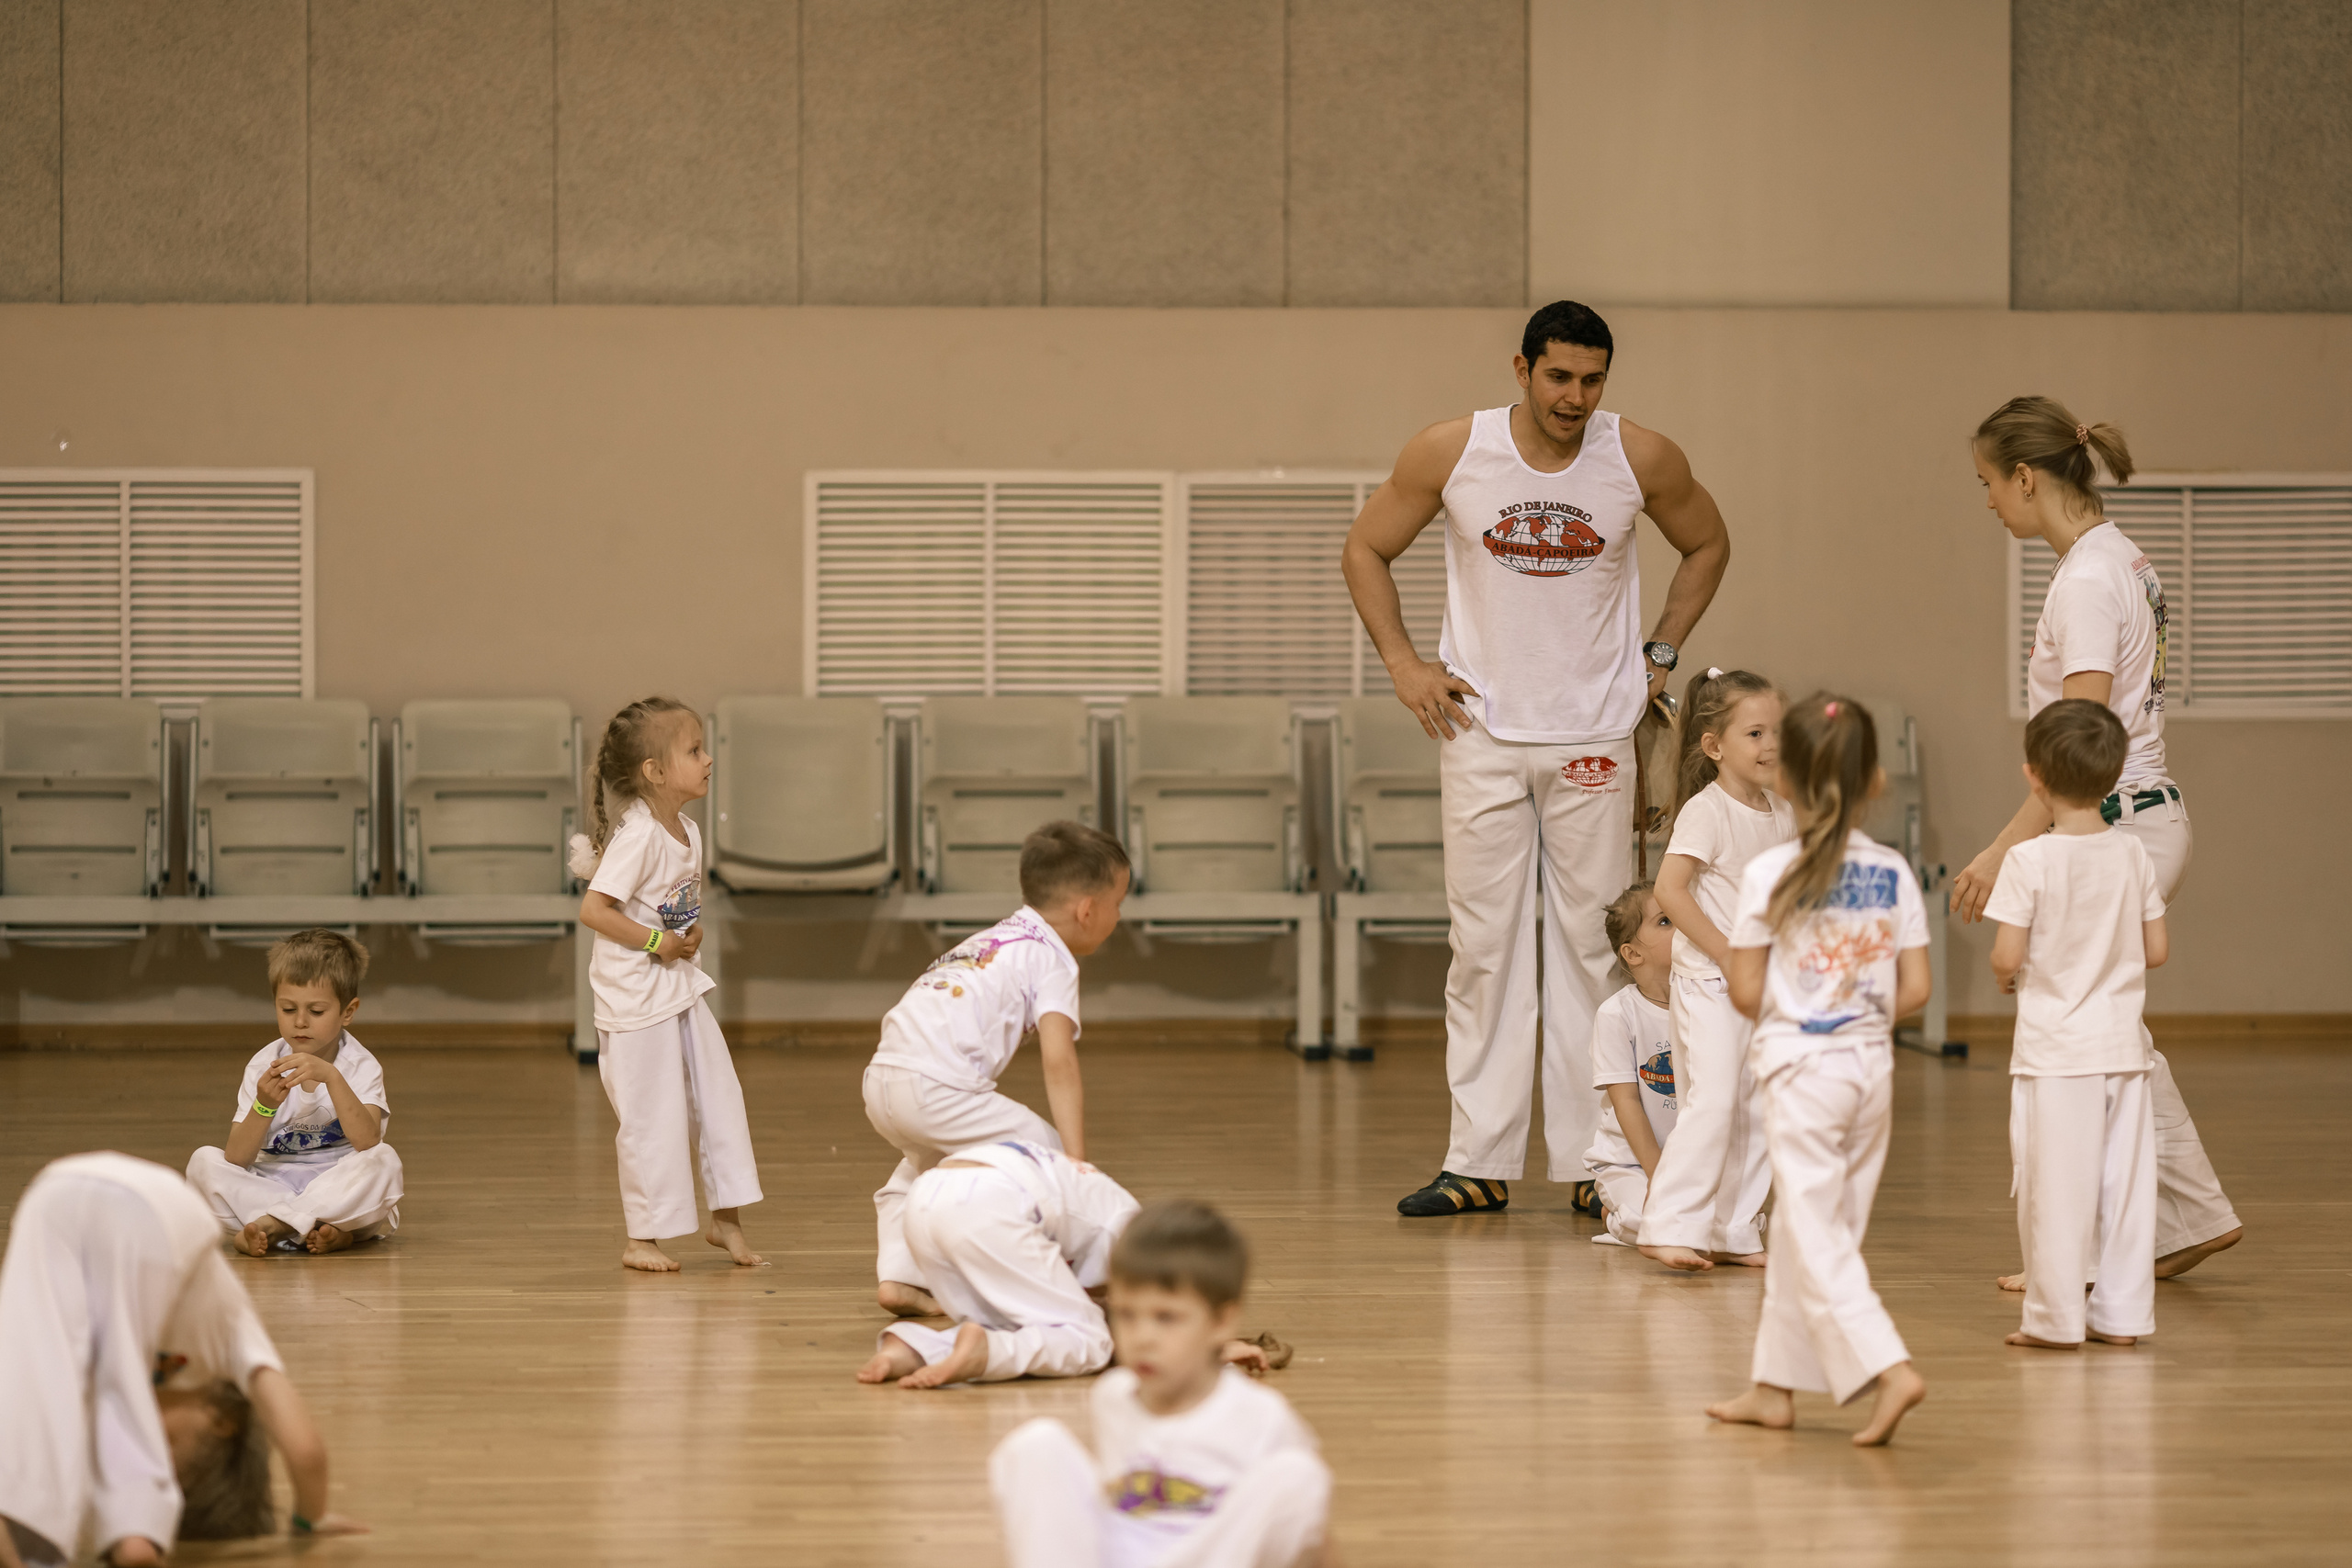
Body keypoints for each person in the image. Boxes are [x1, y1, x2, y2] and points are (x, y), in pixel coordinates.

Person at [1341, 299, 1731, 1218]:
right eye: (1558, 376)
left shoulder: (1640, 456)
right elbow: (1365, 547)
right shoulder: (1450, 450)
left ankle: (1602, 1164)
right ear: (1521, 369)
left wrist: (1663, 652)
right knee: (1481, 951)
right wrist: (1403, 664)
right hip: (1477, 733)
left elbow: (1707, 542)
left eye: (1592, 379)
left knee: (1596, 954)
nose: (1575, 396)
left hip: (1595, 735)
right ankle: (1476, 1160)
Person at [1953, 396, 2241, 1280]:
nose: (1989, 502)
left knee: (2078, 1038)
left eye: (1989, 484)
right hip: (2142, 820)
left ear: (2028, 477)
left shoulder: (2084, 578)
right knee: (2101, 1027)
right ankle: (2172, 1218)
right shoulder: (2121, 557)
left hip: (2113, 823)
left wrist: (2006, 845)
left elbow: (2080, 735)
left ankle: (2096, 1242)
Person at [1708, 695, 1930, 1448]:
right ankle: (1774, 1386)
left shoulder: (1771, 869)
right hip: (1871, 1069)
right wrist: (1856, 1017)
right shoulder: (1894, 870)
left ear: (1788, 776)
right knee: (1816, 1231)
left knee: (1814, 1230)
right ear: (1874, 779)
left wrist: (1805, 1010)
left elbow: (1742, 989)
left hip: (1802, 1070)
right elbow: (1917, 990)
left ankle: (1889, 1364)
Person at [0, 1152, 365, 1568]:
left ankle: (119, 1537)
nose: (153, 1430)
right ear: (223, 1420)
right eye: (167, 1448)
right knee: (74, 1384)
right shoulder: (231, 1332)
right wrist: (309, 1518)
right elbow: (306, 1450)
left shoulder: (127, 1371)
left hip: (54, 1195)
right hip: (163, 1214)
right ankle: (123, 1534)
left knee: (50, 1379)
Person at [863, 821, 1129, 1317]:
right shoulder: (1052, 958)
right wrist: (1074, 1158)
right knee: (1043, 1155)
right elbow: (1058, 1059)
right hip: (937, 1086)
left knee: (917, 1171)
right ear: (1088, 911)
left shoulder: (995, 938)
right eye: (1119, 904)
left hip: (882, 1078)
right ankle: (1084, 1280)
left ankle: (901, 1278)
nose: (1119, 916)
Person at [989, 1200, 1332, 1568]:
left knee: (1298, 1476)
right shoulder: (1113, 1395)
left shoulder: (1261, 1416)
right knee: (1037, 1445)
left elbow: (1307, 1530)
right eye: (1126, 1314)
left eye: (1166, 1318)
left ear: (1221, 1323)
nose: (1142, 1337)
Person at [1987, 701, 2166, 1349]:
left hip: (2054, 1052)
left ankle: (2054, 1318)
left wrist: (2008, 972)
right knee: (2125, 1187)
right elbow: (2156, 949)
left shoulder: (2029, 861)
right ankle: (2121, 1317)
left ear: (2034, 777)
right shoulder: (2132, 855)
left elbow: (2008, 954)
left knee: (2052, 1186)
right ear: (2115, 775)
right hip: (2122, 1047)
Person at [569, 696, 764, 1273]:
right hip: (634, 1003)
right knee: (651, 1117)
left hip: (677, 988)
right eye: (694, 750)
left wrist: (686, 929)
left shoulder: (688, 831)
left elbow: (670, 907)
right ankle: (642, 1239)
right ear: (654, 772)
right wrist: (658, 944)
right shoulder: (639, 836)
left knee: (719, 1098)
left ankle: (725, 1218)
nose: (708, 760)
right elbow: (596, 911)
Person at [1635, 670, 1792, 1270]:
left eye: (1777, 731)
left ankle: (1734, 1226)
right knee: (1715, 1098)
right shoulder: (1707, 811)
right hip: (1710, 982)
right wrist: (1727, 951)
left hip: (1763, 986)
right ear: (1714, 745)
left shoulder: (1781, 811)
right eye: (1754, 732)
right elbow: (1671, 892)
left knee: (1758, 1105)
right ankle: (1668, 1221)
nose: (1770, 745)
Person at [183, 930, 403, 1257]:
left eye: (316, 1012)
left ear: (348, 1011)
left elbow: (368, 1142)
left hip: (336, 1184)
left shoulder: (361, 1065)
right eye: (287, 1010)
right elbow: (238, 1158)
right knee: (203, 1162)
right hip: (273, 1184)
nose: (300, 1022)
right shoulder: (263, 1065)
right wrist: (265, 1106)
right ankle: (326, 1230)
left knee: (384, 1162)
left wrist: (332, 1077)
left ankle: (276, 1227)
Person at [1581, 882, 1679, 1248]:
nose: (1685, 924)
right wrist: (1659, 1175)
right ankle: (1615, 1215)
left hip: (1693, 1161)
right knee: (1649, 1220)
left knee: (1735, 1222)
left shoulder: (1710, 1005)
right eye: (1666, 921)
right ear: (1633, 953)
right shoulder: (1616, 1015)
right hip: (1632, 1164)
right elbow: (1627, 1103)